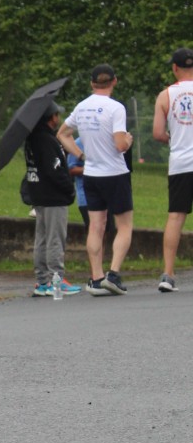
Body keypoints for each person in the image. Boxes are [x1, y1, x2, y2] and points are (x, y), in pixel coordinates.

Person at [57, 64, 133, 295]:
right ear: (114, 81)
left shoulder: (81, 107)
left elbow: (62, 134)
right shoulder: (116, 108)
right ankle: (114, 274)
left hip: (91, 173)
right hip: (115, 173)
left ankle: (97, 278)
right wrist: (128, 141)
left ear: (92, 83)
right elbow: (120, 144)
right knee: (124, 226)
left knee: (96, 226)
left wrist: (80, 155)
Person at [19, 102, 81, 296]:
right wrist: (69, 189)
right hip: (54, 197)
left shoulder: (32, 139)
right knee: (55, 239)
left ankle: (42, 281)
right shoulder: (47, 140)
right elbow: (56, 171)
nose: (58, 118)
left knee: (42, 239)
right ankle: (56, 280)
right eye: (56, 115)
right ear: (50, 117)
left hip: (38, 194)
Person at [151, 46, 193, 292]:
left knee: (176, 217)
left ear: (175, 68)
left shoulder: (165, 95)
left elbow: (157, 133)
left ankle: (168, 274)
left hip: (180, 163)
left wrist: (173, 138)